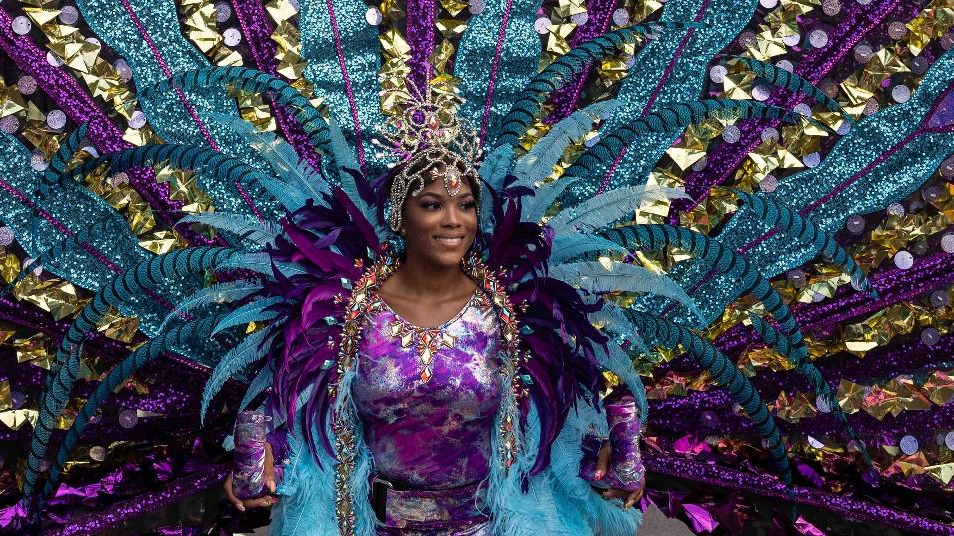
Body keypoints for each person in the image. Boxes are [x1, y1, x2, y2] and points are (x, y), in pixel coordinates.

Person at [224, 144, 644, 536]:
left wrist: (609, 454)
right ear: (398, 215)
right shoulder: (346, 315)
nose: (453, 220)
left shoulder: (513, 314)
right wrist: (264, 459)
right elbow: (309, 427)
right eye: (431, 205)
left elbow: (551, 434)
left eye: (465, 206)